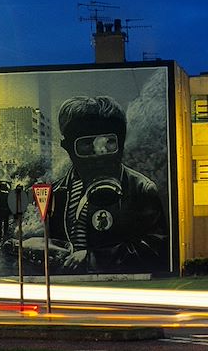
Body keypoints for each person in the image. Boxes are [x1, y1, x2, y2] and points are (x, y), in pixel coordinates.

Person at [47, 96, 167, 274]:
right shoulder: (57, 193)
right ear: (68, 147)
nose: (99, 153)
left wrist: (92, 258)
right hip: (68, 291)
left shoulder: (140, 189)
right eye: (87, 144)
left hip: (119, 289)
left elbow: (155, 248)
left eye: (109, 142)